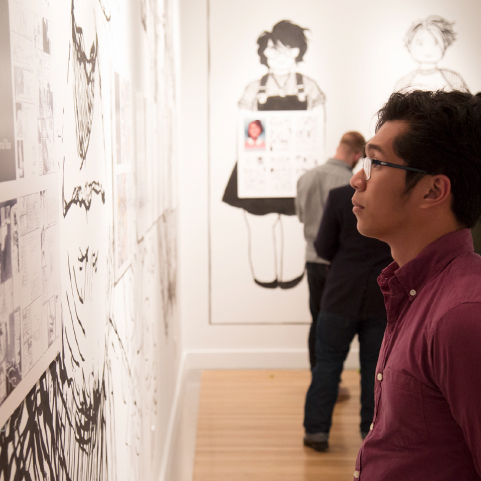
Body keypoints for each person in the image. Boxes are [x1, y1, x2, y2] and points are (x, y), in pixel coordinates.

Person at [350, 90, 481, 480]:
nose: (357, 178)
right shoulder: (412, 290)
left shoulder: (463, 318)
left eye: (375, 162)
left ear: (433, 191)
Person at [223, 20, 326, 289]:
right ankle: (264, 276)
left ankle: (292, 275)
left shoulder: (309, 87)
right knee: (259, 224)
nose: (280, 57)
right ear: (264, 54)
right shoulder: (254, 89)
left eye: (287, 49)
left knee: (295, 225)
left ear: (297, 52)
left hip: (298, 167)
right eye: (272, 50)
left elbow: (318, 126)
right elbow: (243, 127)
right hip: (259, 165)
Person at [303, 184, 392, 452]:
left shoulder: (340, 195)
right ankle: (371, 431)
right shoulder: (393, 194)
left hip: (340, 293)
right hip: (380, 296)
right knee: (375, 371)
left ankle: (317, 431)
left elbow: (322, 245)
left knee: (327, 364)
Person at [296, 131, 365, 369]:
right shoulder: (350, 185)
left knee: (317, 320)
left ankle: (319, 380)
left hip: (312, 261)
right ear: (357, 154)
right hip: (338, 265)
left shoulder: (306, 178)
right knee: (336, 325)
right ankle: (329, 381)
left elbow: (302, 217)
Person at [395, 15, 469, 92]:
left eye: (435, 43)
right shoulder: (403, 83)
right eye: (421, 43)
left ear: (445, 44)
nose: (428, 49)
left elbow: (467, 102)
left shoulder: (453, 79)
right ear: (410, 45)